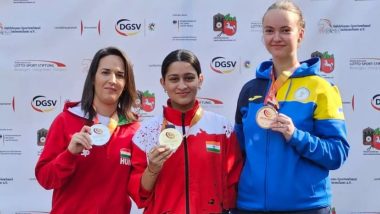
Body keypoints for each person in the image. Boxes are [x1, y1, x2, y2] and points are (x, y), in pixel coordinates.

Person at [234, 1, 349, 213]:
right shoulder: (250, 90)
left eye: (285, 30)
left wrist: (296, 135)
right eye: (269, 31)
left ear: (301, 34)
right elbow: (237, 152)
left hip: (306, 207)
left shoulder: (321, 88)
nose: (276, 38)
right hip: (249, 206)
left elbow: (337, 153)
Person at [128, 49, 243, 213]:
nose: (182, 85)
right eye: (174, 79)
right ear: (163, 83)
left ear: (200, 79)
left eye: (189, 78)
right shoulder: (147, 132)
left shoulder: (222, 128)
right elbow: (139, 194)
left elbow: (232, 186)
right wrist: (152, 169)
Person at [35, 47, 140, 213]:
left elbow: (140, 190)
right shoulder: (65, 120)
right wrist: (69, 154)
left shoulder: (135, 129)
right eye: (105, 72)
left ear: (126, 83)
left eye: (120, 75)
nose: (112, 80)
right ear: (93, 77)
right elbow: (45, 179)